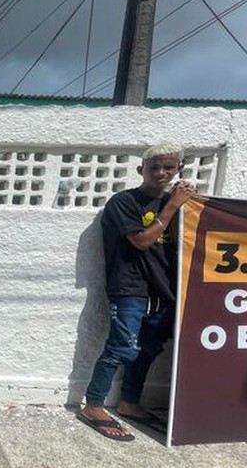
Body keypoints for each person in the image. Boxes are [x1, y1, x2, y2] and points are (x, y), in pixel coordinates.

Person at [77, 143, 197, 441]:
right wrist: (172, 206)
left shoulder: (181, 204)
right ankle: (93, 404)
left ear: (178, 170)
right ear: (140, 170)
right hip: (129, 286)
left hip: (164, 289)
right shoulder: (124, 202)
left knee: (150, 348)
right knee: (121, 346)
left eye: (168, 167)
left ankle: (129, 402)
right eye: (154, 167)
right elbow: (141, 241)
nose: (160, 173)